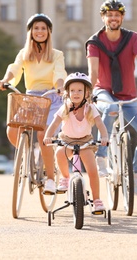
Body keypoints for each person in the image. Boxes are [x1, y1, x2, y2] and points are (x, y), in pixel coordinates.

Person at [85, 0, 137, 196]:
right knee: (111, 108)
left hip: (129, 96)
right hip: (104, 92)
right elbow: (92, 72)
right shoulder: (94, 42)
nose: (113, 18)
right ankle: (101, 155)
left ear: (122, 17)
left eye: (117, 14)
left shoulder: (133, 38)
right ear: (103, 17)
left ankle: (135, 172)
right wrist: (88, 93)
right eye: (109, 14)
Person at [0, 13, 67, 195]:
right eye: (36, 28)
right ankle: (27, 156)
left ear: (49, 32)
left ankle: (50, 178)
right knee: (12, 130)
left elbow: (60, 73)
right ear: (31, 32)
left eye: (43, 28)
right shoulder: (24, 54)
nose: (39, 31)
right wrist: (5, 80)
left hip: (51, 98)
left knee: (44, 135)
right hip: (31, 98)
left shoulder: (57, 55)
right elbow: (15, 68)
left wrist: (60, 87)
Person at [43, 72, 108, 212]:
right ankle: (66, 178)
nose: (76, 93)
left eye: (80, 90)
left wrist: (104, 136)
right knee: (60, 154)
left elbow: (100, 124)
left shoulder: (90, 108)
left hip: (85, 142)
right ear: (67, 92)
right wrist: (48, 136)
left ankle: (96, 200)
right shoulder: (65, 107)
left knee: (92, 170)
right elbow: (54, 124)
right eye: (72, 90)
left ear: (87, 93)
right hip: (67, 140)